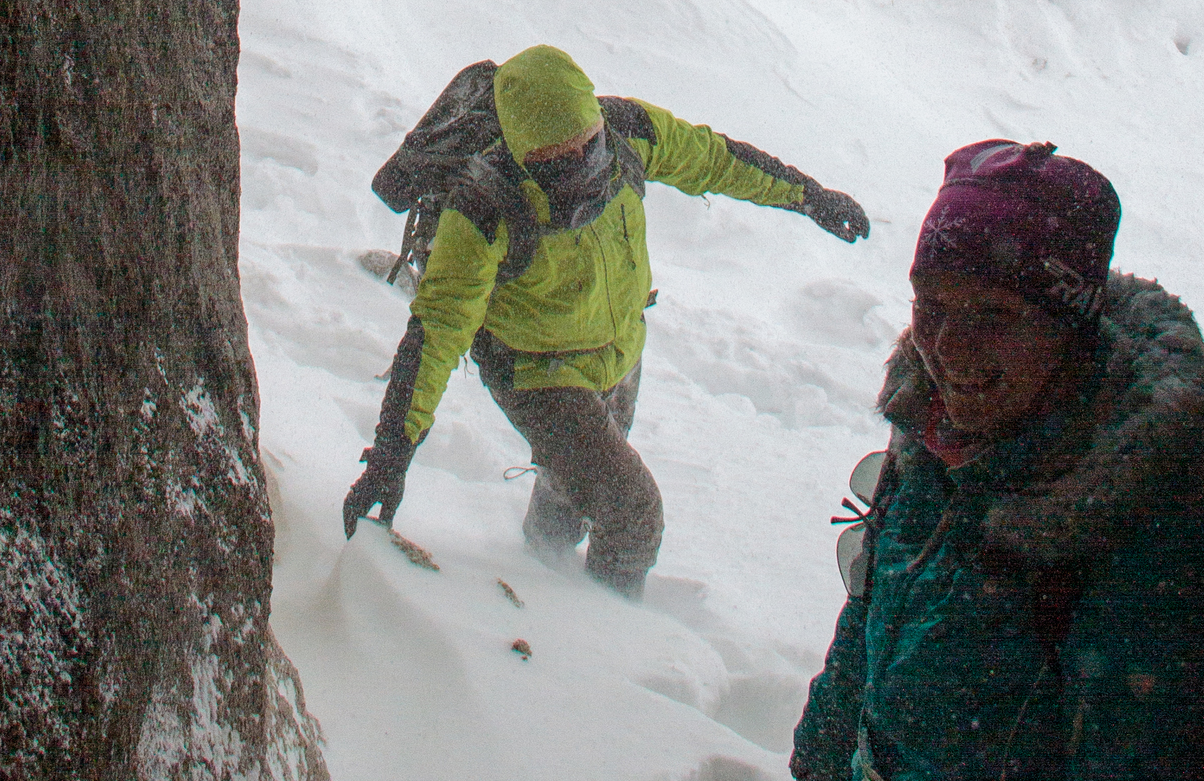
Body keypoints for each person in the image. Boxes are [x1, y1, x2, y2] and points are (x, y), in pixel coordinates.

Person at [789, 139, 1204, 781]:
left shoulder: (1128, 523)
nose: (948, 347)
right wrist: (826, 769)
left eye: (991, 314)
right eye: (931, 309)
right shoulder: (935, 443)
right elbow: (872, 620)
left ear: (1068, 326)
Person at [342, 44, 871, 594]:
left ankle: (540, 569)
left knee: (572, 496)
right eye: (558, 157)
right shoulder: (484, 206)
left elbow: (714, 159)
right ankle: (604, 640)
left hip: (619, 351)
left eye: (587, 144)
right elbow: (436, 334)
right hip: (538, 374)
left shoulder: (625, 134)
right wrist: (390, 454)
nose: (582, 162)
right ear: (523, 153)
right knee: (631, 515)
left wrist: (808, 197)